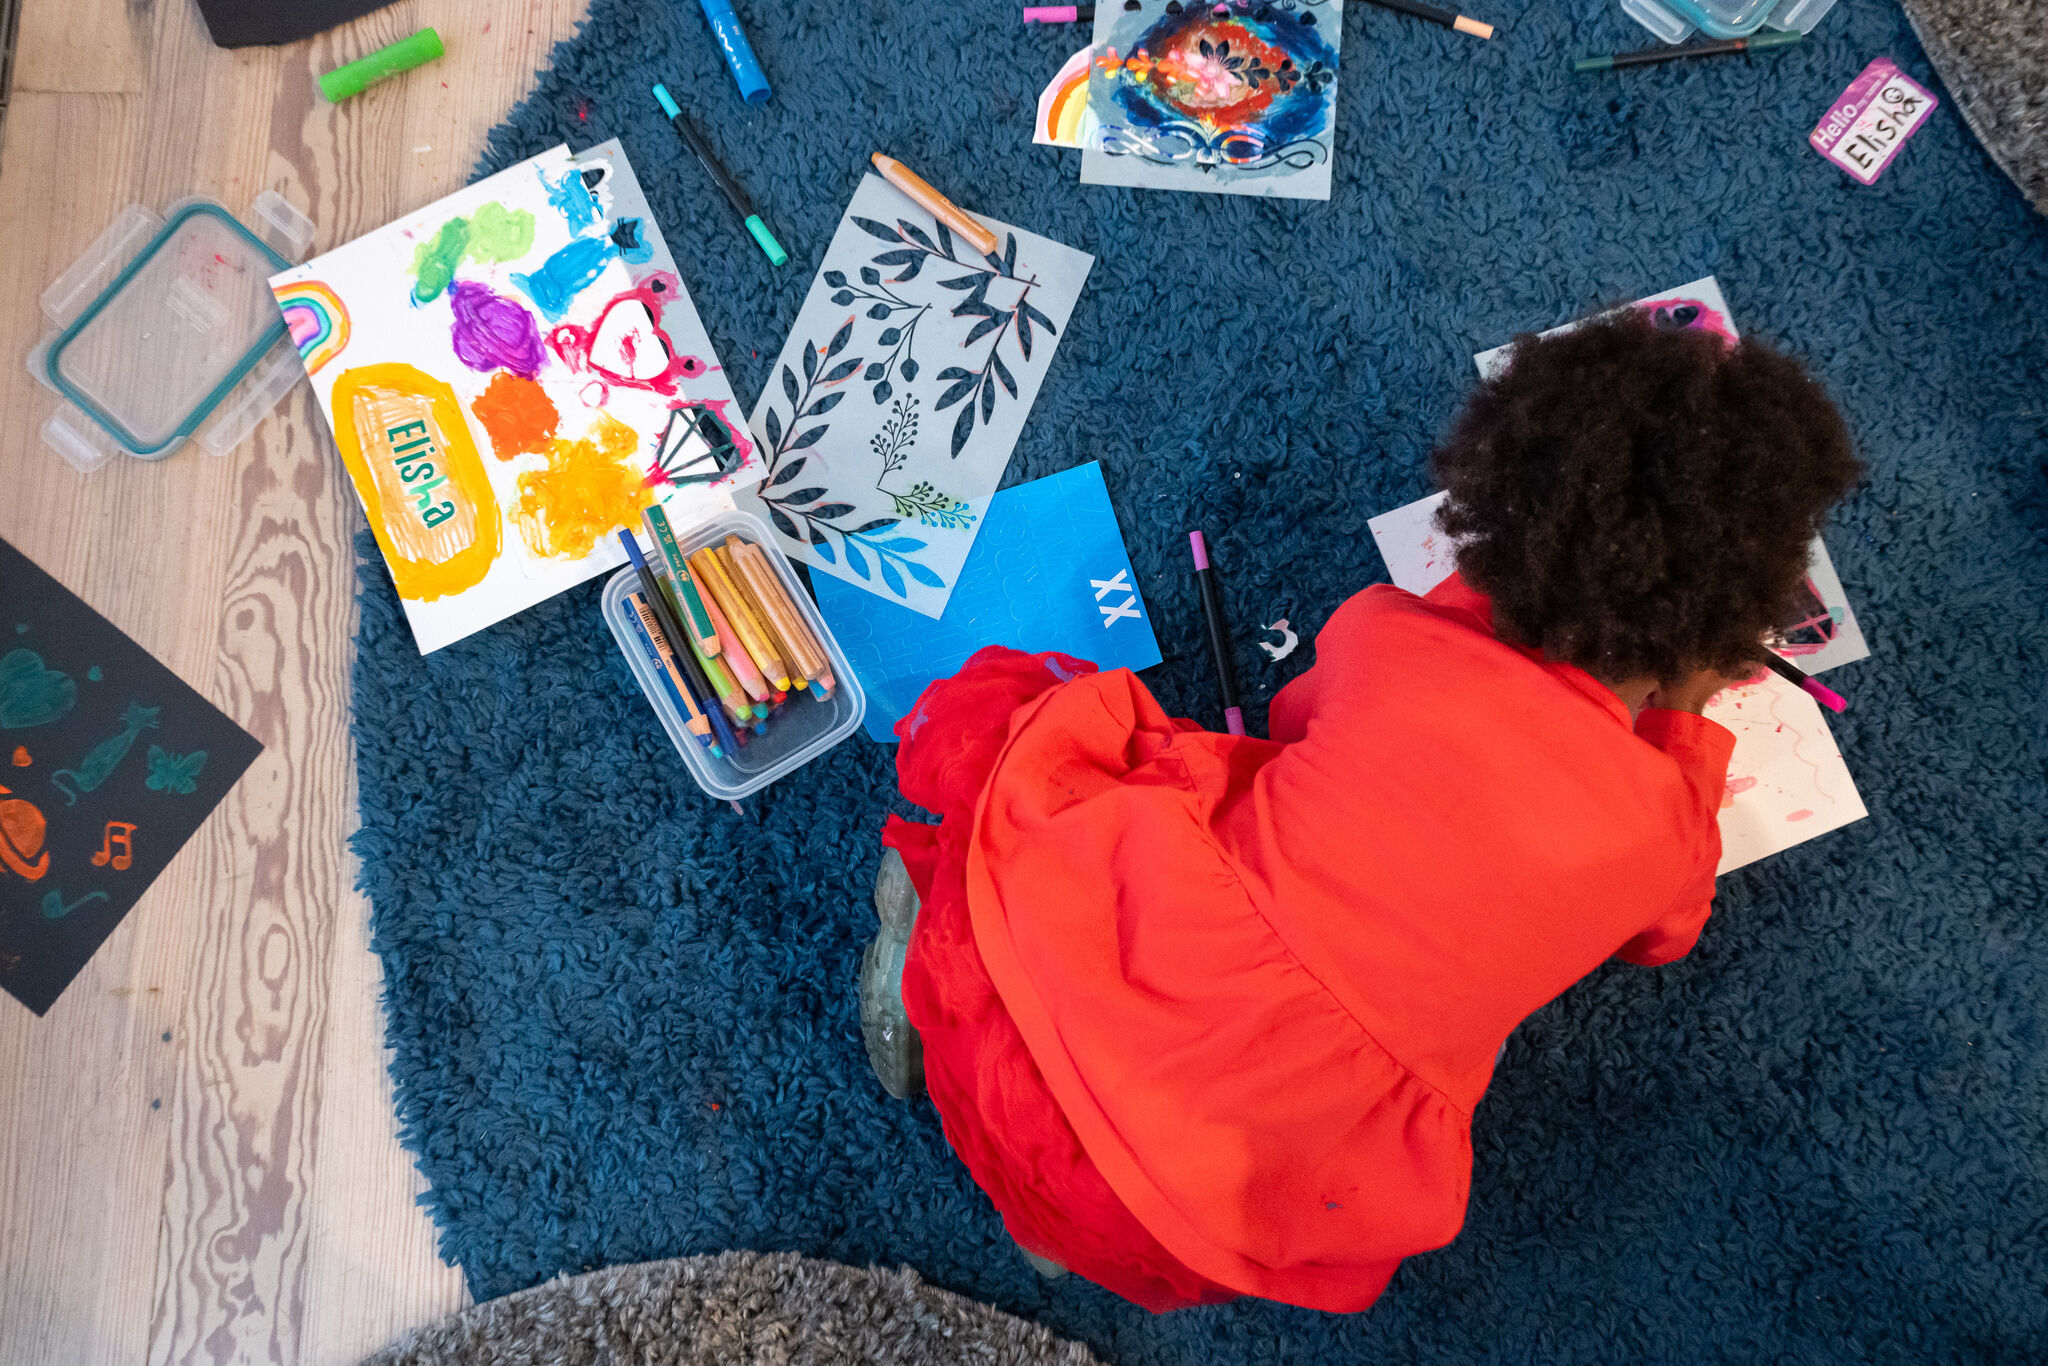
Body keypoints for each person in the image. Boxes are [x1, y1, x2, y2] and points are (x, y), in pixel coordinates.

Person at [857, 309, 1863, 1312]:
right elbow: (1665, 931)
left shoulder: (1383, 633)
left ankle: (929, 963)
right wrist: (1680, 727)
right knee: (1129, 1185)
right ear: (1720, 645)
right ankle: (1057, 1228)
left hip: (1026, 989)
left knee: (1042, 733)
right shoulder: (1664, 834)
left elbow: (1285, 732)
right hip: (1186, 1214)